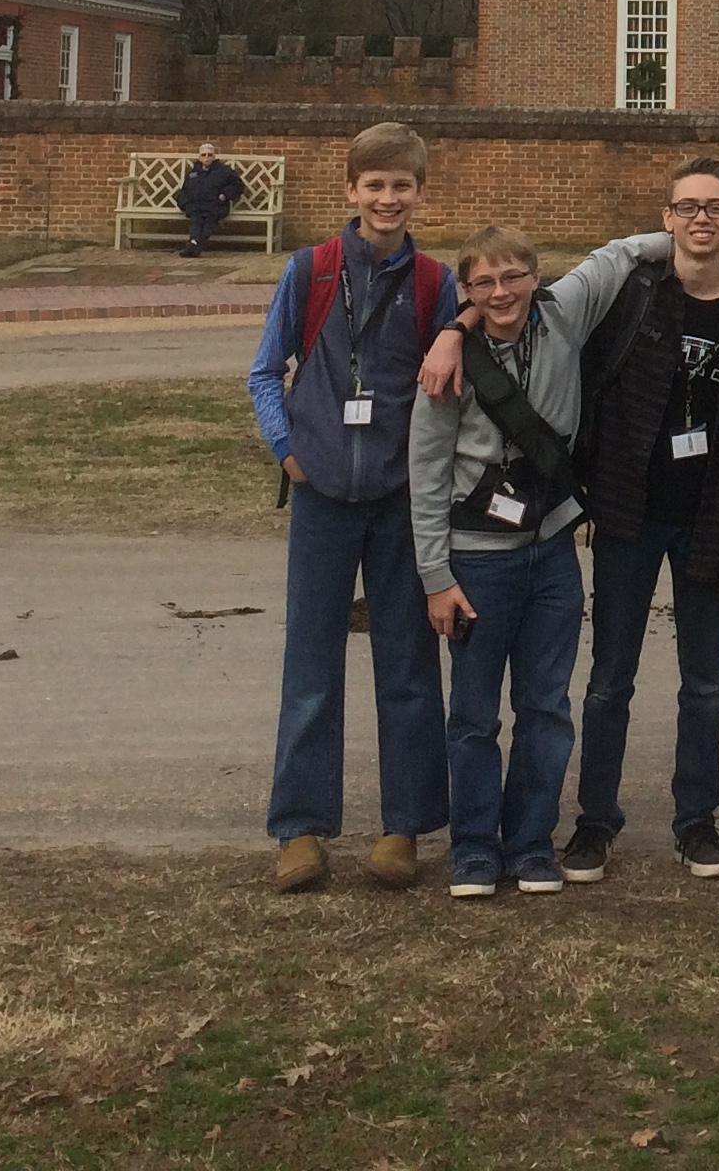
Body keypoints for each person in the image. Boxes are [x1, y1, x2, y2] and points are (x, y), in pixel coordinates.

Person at [558, 157, 719, 885]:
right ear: (667, 218)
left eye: (716, 208)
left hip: (709, 515)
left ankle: (696, 823)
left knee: (705, 681)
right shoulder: (634, 294)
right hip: (629, 510)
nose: (702, 219)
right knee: (609, 678)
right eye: (688, 207)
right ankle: (595, 822)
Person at [250, 123, 457, 895]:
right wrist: (287, 448)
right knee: (310, 664)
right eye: (374, 185)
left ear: (420, 192)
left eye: (401, 186)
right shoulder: (310, 271)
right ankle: (300, 828)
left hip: (402, 500)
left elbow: (463, 362)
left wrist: (459, 329)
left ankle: (404, 826)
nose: (387, 199)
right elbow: (265, 371)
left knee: (408, 664)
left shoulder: (436, 283)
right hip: (324, 497)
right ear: (350, 190)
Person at [408, 225, 617, 900]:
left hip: (551, 550)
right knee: (474, 713)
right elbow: (426, 470)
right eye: (483, 283)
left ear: (536, 277)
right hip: (476, 561)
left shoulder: (564, 316)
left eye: (513, 277)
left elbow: (626, 251)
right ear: (464, 290)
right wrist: (436, 577)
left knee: (546, 707)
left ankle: (530, 844)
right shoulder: (449, 361)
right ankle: (474, 847)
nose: (501, 293)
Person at [178, 143, 247, 257]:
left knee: (208, 223)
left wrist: (225, 194)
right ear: (199, 157)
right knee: (195, 223)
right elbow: (184, 191)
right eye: (203, 155)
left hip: (215, 205)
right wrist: (185, 204)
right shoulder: (193, 174)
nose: (206, 157)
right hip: (197, 206)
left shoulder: (224, 171)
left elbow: (238, 185)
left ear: (214, 157)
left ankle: (193, 246)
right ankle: (194, 245)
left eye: (209, 155)